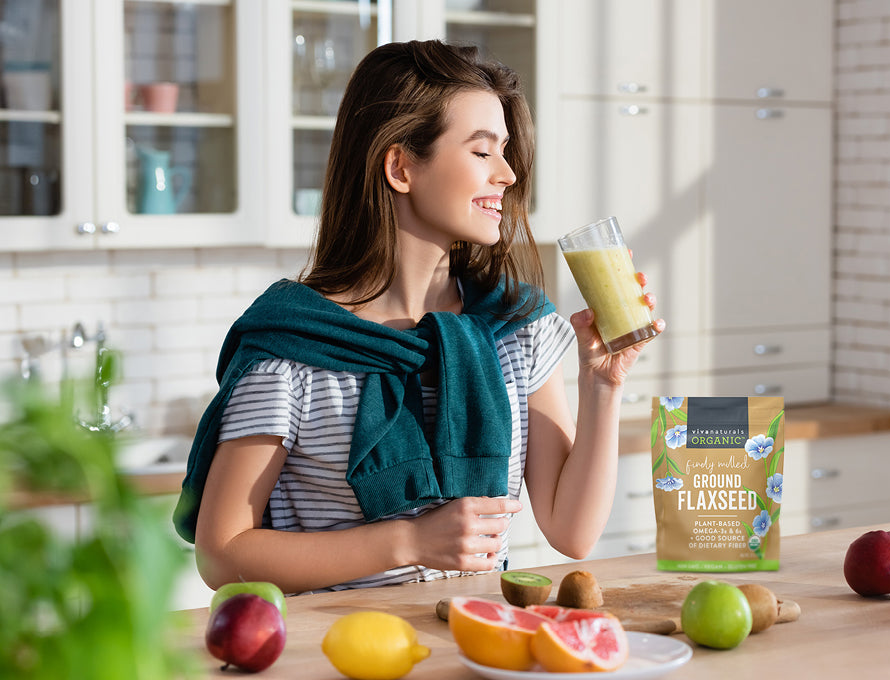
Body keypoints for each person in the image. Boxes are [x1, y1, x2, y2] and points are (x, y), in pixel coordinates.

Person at [172, 39, 664, 595]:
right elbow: (221, 554)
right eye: (482, 152)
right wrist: (408, 540)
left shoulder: (518, 328)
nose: (507, 174)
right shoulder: (294, 348)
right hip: (340, 652)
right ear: (401, 166)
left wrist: (602, 384)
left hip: (477, 641)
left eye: (505, 151)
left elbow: (572, 531)